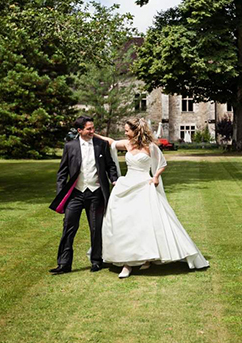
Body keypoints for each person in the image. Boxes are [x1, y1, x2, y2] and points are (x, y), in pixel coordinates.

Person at [94, 118, 209, 278]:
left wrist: (155, 177)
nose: (125, 133)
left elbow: (162, 164)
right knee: (124, 221)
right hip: (127, 184)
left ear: (136, 130)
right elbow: (111, 142)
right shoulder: (128, 144)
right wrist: (94, 134)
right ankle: (128, 260)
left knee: (144, 222)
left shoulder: (151, 147)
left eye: (127, 130)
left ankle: (140, 260)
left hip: (143, 185)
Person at [50, 116, 120, 274]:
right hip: (75, 194)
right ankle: (64, 264)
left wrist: (114, 179)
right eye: (89, 129)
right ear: (79, 130)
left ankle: (96, 261)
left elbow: (110, 166)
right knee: (68, 227)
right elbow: (62, 173)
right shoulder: (70, 146)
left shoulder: (101, 144)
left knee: (96, 228)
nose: (92, 131)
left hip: (96, 193)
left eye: (93, 128)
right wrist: (62, 194)